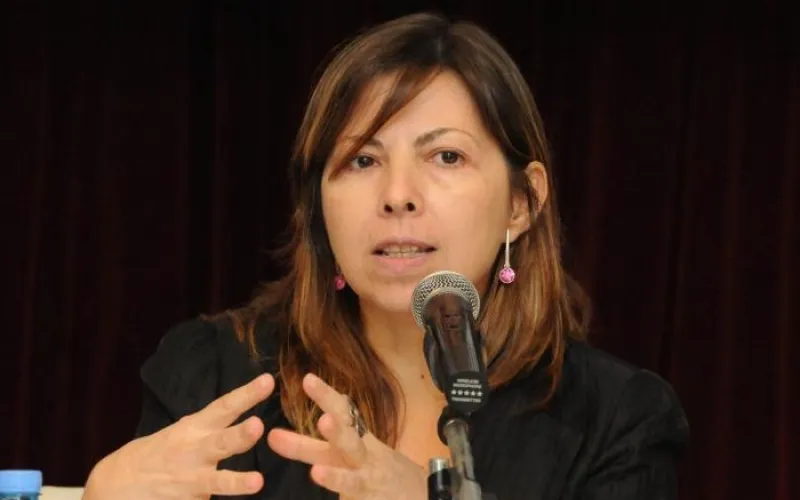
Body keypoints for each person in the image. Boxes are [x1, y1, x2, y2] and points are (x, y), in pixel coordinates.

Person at [83, 11, 689, 500]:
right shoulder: (214, 376)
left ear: (521, 203)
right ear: (318, 208)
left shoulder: (616, 420)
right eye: (363, 160)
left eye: (446, 157)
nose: (398, 195)